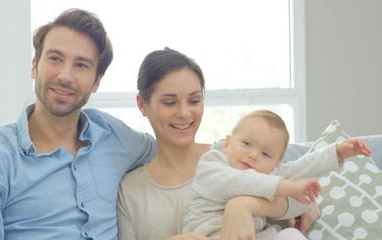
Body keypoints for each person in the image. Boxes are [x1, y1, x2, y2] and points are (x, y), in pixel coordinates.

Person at [0, 9, 156, 239]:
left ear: (97, 82)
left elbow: (171, 153)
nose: (65, 76)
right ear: (34, 66)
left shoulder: (113, 135)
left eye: (81, 65)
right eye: (55, 59)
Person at [117, 49, 325, 240]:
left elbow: (298, 197)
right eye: (170, 102)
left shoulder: (232, 156)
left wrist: (243, 205)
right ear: (142, 104)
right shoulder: (131, 191)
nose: (184, 113)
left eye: (194, 100)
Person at [182, 110, 372, 239]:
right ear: (227, 143)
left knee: (290, 235)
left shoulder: (268, 174)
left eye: (266, 154)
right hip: (209, 235)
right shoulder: (212, 164)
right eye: (246, 143)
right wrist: (287, 187)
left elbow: (301, 167)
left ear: (275, 164)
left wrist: (336, 152)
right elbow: (241, 182)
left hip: (256, 237)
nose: (253, 155)